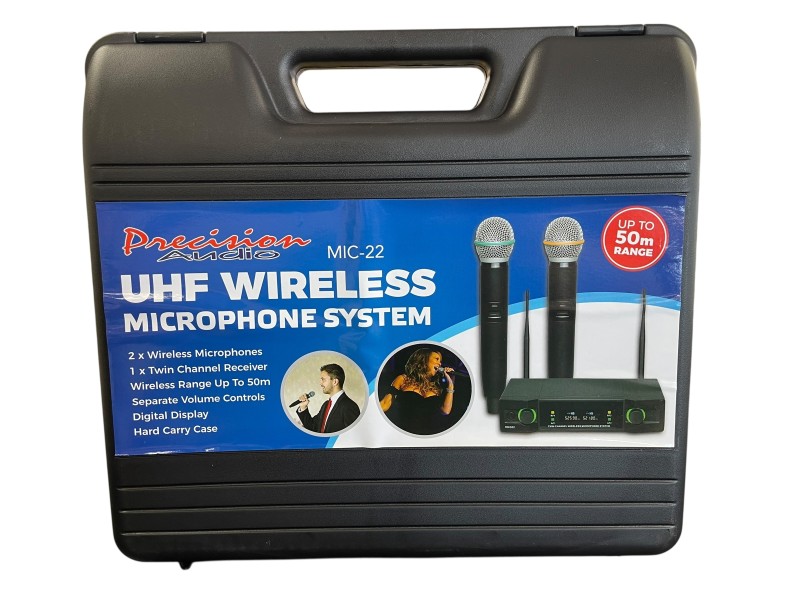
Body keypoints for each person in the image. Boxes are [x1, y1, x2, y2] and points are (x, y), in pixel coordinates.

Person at [380, 348, 455, 435]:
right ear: (424, 360)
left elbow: (445, 411)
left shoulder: (436, 388)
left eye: (440, 361)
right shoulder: (403, 379)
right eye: (436, 359)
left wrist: (451, 384)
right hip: (403, 431)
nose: (440, 363)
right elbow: (385, 403)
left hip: (428, 434)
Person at [296, 364, 360, 434]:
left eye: (323, 379)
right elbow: (313, 427)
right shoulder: (326, 405)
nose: (320, 383)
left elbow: (353, 435)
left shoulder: (349, 406)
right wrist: (303, 407)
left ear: (335, 382)